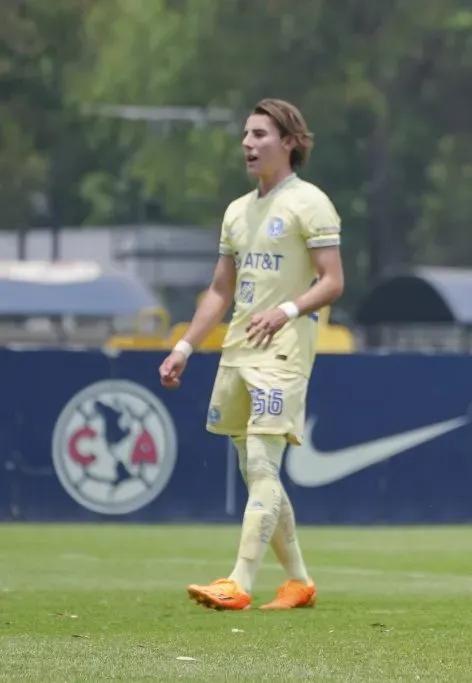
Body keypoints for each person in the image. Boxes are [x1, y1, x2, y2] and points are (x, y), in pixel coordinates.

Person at [158, 98, 344, 611]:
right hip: (237, 353)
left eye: (259, 134)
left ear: (289, 142)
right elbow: (219, 290)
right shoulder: (238, 211)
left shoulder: (310, 203)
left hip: (283, 354)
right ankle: (299, 581)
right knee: (255, 470)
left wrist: (285, 310)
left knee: (263, 463)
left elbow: (333, 281)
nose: (247, 143)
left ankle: (239, 581)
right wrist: (184, 346)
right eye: (245, 134)